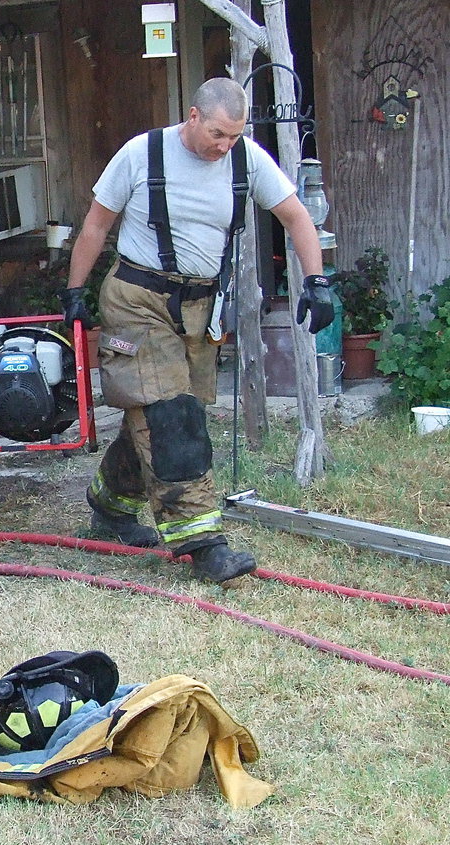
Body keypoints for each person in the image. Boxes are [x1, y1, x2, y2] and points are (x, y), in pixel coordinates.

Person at [62, 77, 332, 584]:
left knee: (156, 410)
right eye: (217, 134)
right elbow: (96, 224)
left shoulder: (247, 160)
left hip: (199, 309)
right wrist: (74, 292)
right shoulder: (141, 154)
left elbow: (296, 217)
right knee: (172, 417)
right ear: (191, 116)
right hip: (135, 299)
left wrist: (316, 282)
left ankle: (110, 505)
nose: (225, 146)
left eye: (234, 135)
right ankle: (204, 543)